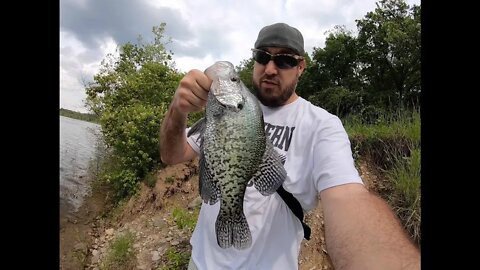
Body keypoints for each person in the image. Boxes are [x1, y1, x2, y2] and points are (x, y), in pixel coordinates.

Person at [159, 22, 420, 270]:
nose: (270, 68)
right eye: (263, 57)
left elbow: (348, 198)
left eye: (284, 60)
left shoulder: (322, 126)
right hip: (201, 263)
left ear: (301, 67)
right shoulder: (223, 112)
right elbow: (172, 155)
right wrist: (178, 110)